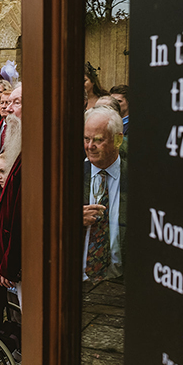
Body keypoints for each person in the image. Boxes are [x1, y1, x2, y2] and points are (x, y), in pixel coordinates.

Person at [82, 106, 126, 282]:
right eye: (86, 139)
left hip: (121, 282)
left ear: (118, 140)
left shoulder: (137, 178)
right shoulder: (69, 176)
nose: (90, 146)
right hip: (77, 283)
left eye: (98, 140)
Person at [0, 84, 23, 302]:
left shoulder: (36, 151)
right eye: (8, 102)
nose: (8, 109)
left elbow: (22, 214)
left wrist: (9, 264)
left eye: (16, 102)